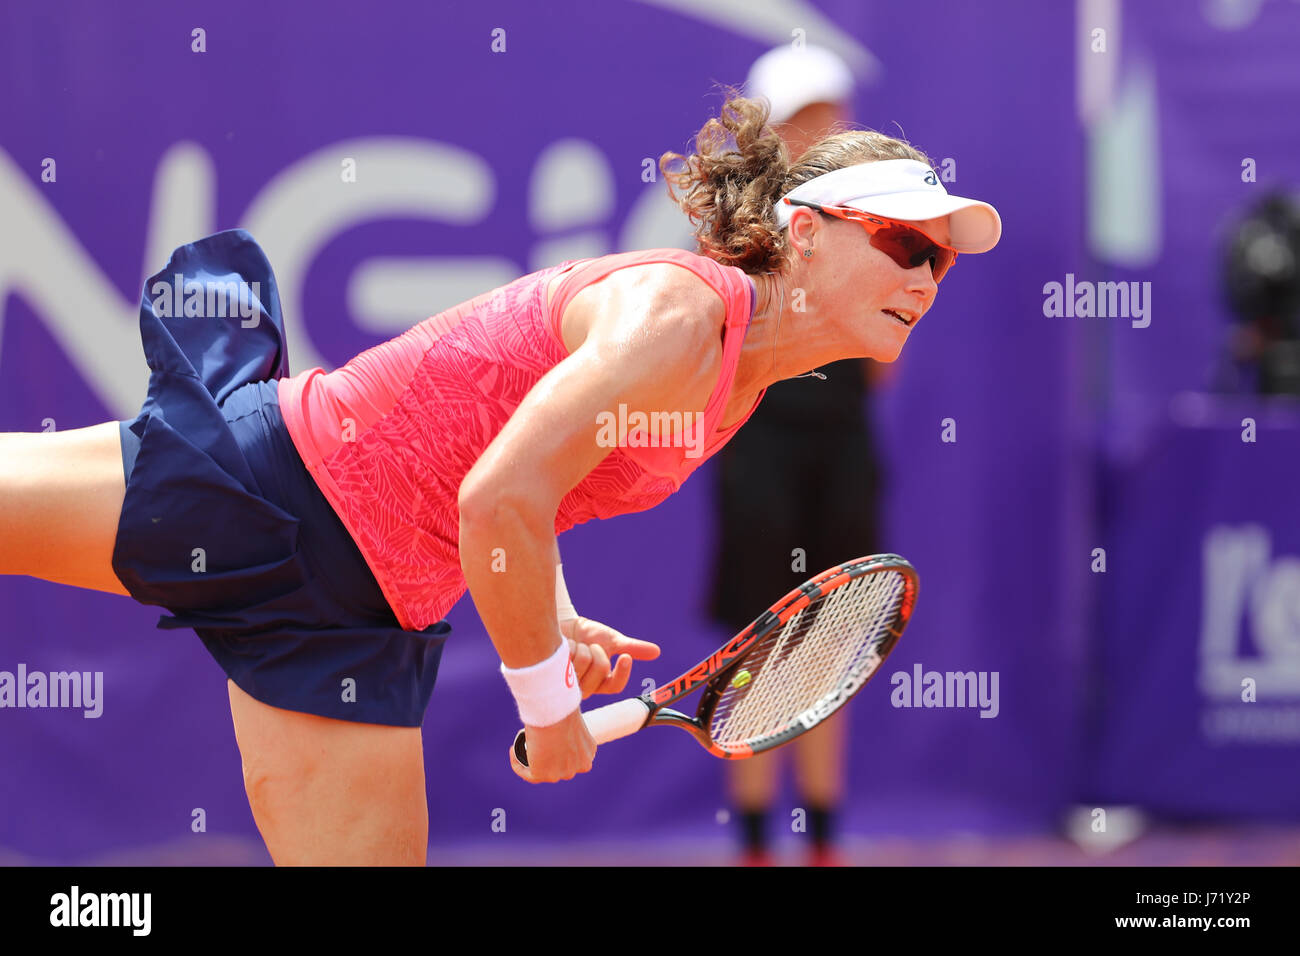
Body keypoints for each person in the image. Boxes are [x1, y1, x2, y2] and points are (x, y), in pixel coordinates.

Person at [0, 89, 1000, 865]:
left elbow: (523, 477)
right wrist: (544, 704)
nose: (924, 277)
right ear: (808, 233)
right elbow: (498, 496)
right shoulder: (678, 321)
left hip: (360, 611)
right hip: (276, 493)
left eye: (942, 261)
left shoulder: (737, 380)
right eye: (904, 243)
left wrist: (551, 614)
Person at [710, 43, 890, 867]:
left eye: (837, 111)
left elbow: (884, 363)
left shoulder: (873, 225)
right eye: (812, 114)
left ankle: (823, 844)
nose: (831, 126)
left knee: (830, 643)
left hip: (841, 449)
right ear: (773, 128)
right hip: (758, 450)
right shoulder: (734, 228)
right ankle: (753, 847)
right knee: (761, 643)